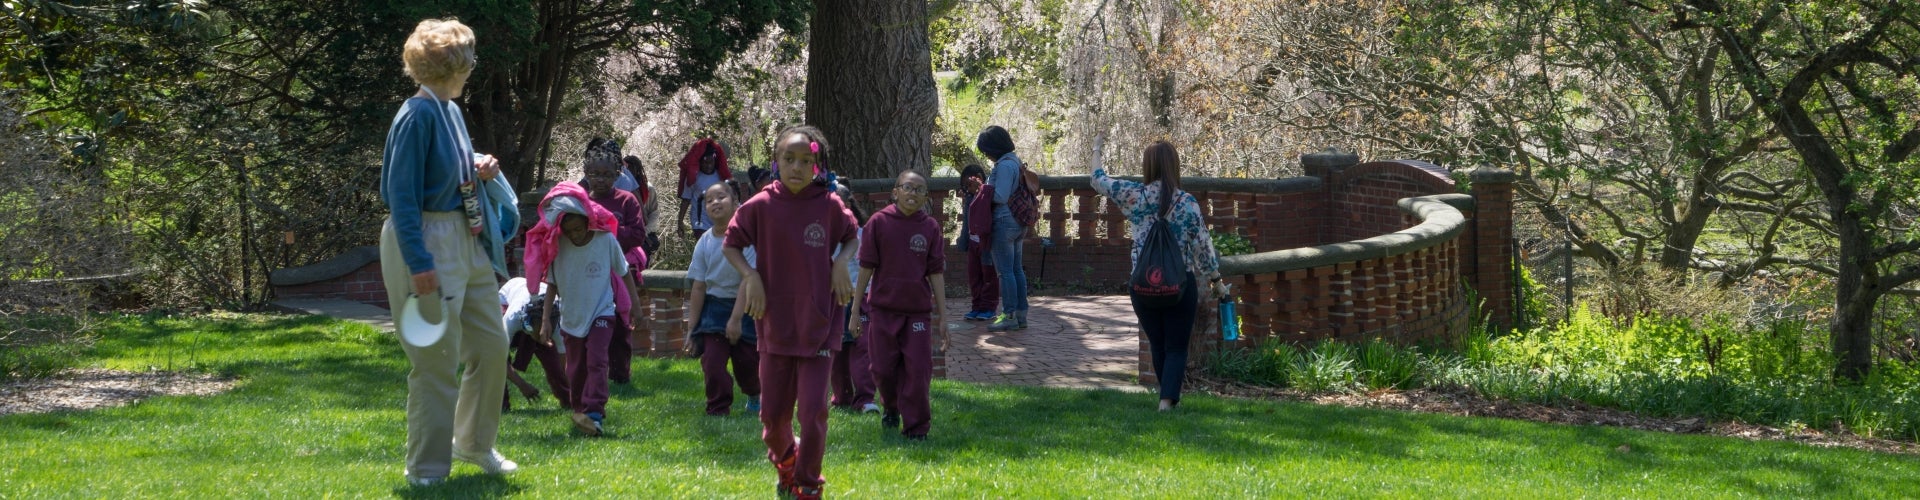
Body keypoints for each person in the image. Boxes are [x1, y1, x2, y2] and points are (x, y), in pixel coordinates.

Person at [377, 18, 517, 487]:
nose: (474, 66)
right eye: (470, 58)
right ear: (454, 64)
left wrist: (479, 166)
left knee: (493, 346)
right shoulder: (416, 115)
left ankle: (473, 444)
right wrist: (420, 266)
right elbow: (401, 198)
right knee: (435, 361)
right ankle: (426, 471)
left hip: (465, 237)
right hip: (426, 241)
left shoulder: (448, 109)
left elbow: (448, 166)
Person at [723, 125, 859, 500]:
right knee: (772, 419)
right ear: (776, 161)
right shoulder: (761, 206)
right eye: (789, 159)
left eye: (806, 161)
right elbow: (731, 245)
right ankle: (787, 465)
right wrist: (750, 276)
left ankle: (808, 484)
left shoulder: (829, 205)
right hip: (775, 325)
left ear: (818, 165)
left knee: (814, 413)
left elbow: (851, 236)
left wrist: (838, 264)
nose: (797, 167)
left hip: (819, 323)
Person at [1090, 138, 1226, 411]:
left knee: (1158, 343)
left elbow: (1097, 179)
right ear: (1175, 165)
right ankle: (1167, 401)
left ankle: (1167, 398)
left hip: (1142, 285)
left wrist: (1097, 149)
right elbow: (1203, 246)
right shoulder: (1187, 203)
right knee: (1176, 346)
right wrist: (1216, 280)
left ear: (1147, 166)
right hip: (1180, 285)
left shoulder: (1134, 196)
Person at [528, 184, 639, 436]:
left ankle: (594, 412)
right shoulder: (558, 246)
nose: (575, 235)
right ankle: (580, 411)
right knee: (576, 368)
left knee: (598, 361)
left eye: (578, 229)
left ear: (587, 222)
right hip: (572, 316)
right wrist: (546, 320)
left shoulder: (605, 240)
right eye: (569, 231)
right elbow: (552, 285)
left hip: (602, 311)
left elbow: (624, 272)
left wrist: (634, 305)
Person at [849, 171, 947, 440]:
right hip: (882, 310)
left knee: (918, 370)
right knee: (882, 368)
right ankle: (891, 406)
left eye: (919, 190)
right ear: (895, 192)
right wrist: (856, 310)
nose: (912, 193)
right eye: (908, 187)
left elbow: (936, 273)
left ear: (925, 197)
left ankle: (916, 429)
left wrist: (943, 317)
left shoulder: (929, 228)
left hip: (917, 313)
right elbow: (866, 268)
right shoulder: (878, 223)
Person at [686, 180, 762, 416]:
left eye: (721, 197)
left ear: (736, 203)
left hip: (745, 308)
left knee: (747, 364)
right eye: (709, 200)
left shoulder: (747, 239)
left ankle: (754, 393)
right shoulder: (705, 242)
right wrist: (691, 330)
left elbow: (747, 281)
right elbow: (699, 288)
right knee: (712, 363)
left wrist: (736, 319)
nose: (715, 203)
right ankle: (718, 408)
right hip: (714, 309)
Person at [581, 143, 646, 385]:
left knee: (620, 324)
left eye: (607, 174)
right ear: (586, 174)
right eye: (595, 174)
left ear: (617, 174)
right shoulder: (581, 201)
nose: (600, 179)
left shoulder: (626, 200)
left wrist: (606, 231)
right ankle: (589, 372)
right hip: (589, 271)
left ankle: (620, 374)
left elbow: (638, 234)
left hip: (619, 271)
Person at [829, 182, 878, 414]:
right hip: (834, 299)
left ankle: (866, 398)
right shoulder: (821, 237)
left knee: (862, 347)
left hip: (861, 298)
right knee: (836, 349)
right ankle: (842, 396)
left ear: (849, 204)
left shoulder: (863, 234)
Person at [976, 125, 1030, 332]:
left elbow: (1000, 196)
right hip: (1017, 221)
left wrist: (982, 190)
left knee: (1005, 271)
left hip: (1004, 221)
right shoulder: (1014, 161)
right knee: (1016, 270)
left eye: (986, 150)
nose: (986, 155)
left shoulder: (1005, 166)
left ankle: (1009, 315)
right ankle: (1020, 314)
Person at [500, 276, 570, 411]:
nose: (543, 337)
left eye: (546, 333)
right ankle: (501, 404)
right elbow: (497, 360)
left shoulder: (557, 322)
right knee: (494, 363)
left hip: (539, 316)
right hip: (508, 297)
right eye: (539, 335)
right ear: (528, 325)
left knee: (553, 362)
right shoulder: (512, 318)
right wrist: (522, 385)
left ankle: (569, 402)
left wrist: (577, 390)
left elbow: (564, 365)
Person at [957, 163, 999, 321]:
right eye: (967, 183)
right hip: (973, 242)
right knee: (974, 275)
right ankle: (976, 306)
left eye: (974, 180)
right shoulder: (968, 198)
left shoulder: (988, 193)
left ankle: (989, 307)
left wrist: (980, 191)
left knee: (988, 275)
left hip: (985, 242)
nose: (971, 185)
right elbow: (967, 222)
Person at [678, 138, 733, 239]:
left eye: (710, 163)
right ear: (700, 162)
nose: (708, 166)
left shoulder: (720, 176)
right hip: (699, 222)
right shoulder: (693, 177)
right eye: (705, 163)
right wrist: (680, 222)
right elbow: (686, 200)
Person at [623, 155, 664, 257]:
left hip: (646, 231)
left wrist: (644, 232)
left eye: (630, 169)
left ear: (637, 170)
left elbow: (654, 214)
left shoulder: (648, 189)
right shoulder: (620, 186)